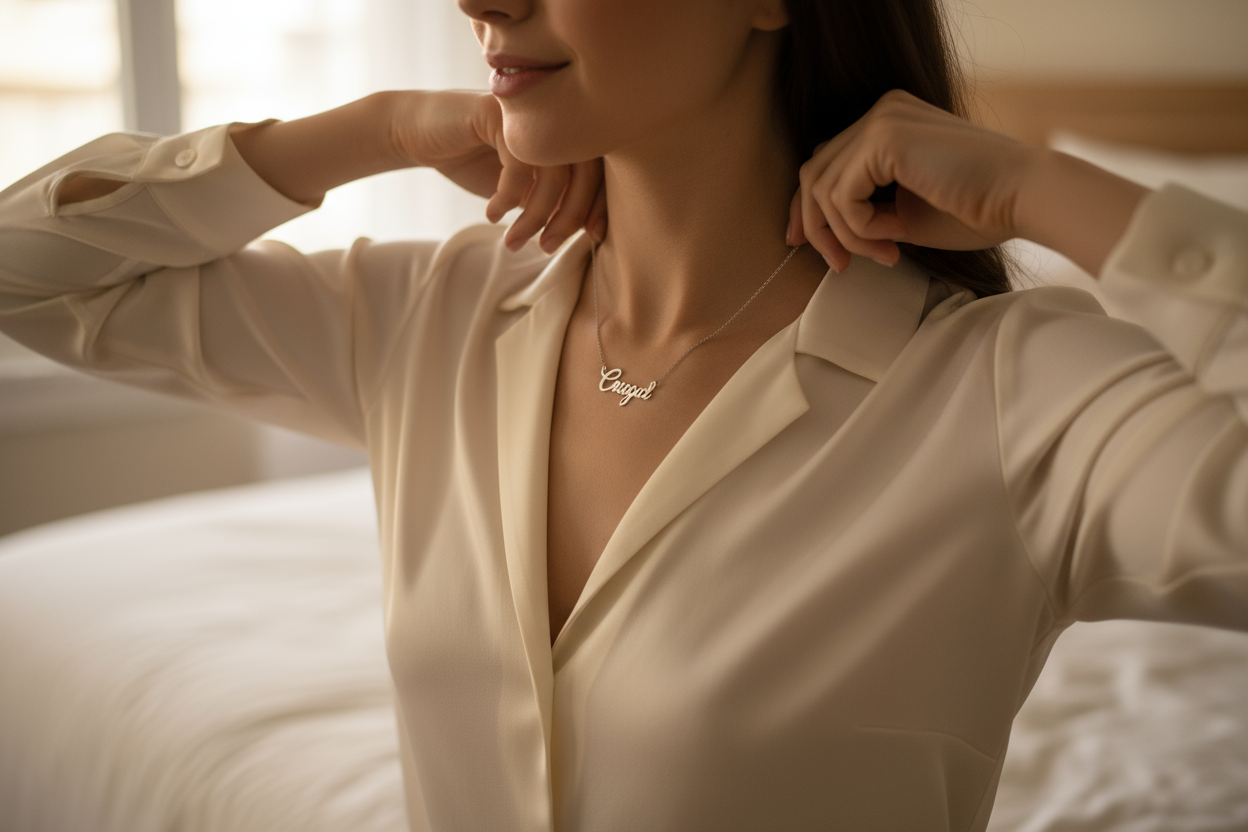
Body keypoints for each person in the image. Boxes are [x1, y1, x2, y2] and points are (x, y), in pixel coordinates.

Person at [0, 0, 1244, 828]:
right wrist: (375, 130)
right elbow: (28, 273)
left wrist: (1037, 188)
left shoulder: (1009, 393)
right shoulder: (433, 317)